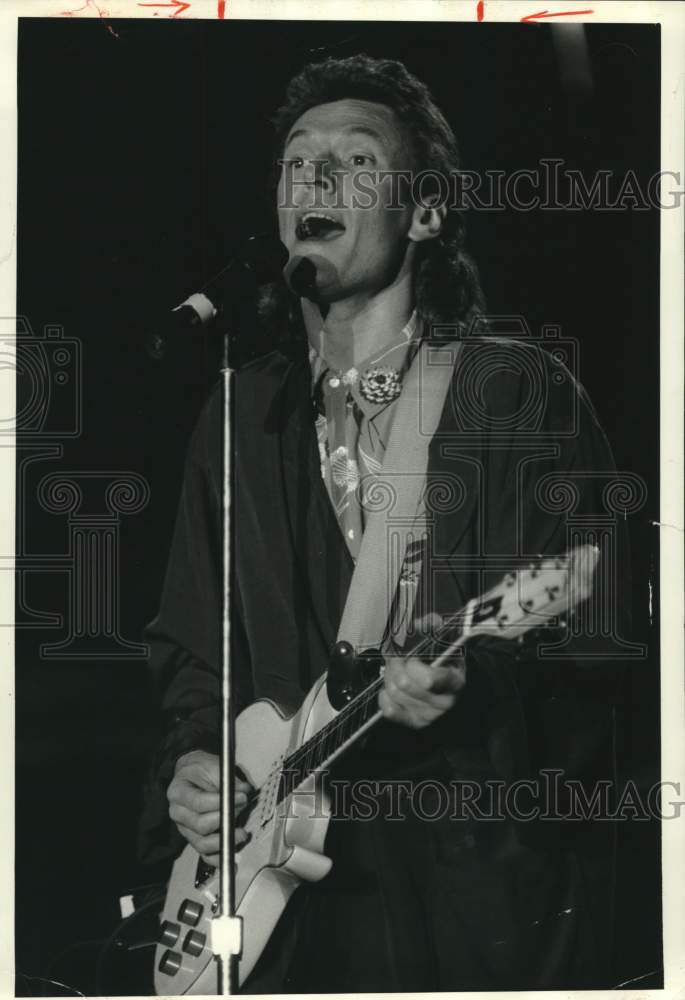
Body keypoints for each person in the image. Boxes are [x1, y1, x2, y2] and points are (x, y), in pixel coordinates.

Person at [139, 54, 627, 991]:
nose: (313, 180)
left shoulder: (511, 393)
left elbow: (596, 628)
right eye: (295, 162)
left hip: (466, 884)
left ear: (427, 211)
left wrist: (473, 684)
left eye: (355, 161)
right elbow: (194, 647)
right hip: (285, 911)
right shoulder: (241, 412)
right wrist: (195, 758)